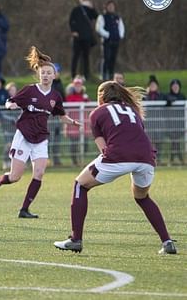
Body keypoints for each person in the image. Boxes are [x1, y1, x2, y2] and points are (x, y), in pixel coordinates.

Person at [54, 81, 177, 254]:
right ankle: (167, 242)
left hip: (119, 156)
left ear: (102, 96)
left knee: (80, 185)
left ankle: (75, 239)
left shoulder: (97, 113)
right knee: (142, 197)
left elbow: (104, 149)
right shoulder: (132, 110)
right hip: (146, 157)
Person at [0, 46, 81, 218]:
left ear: (54, 75)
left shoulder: (56, 96)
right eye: (43, 72)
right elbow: (9, 101)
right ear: (39, 74)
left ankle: (24, 210)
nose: (45, 75)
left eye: (48, 72)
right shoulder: (30, 90)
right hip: (24, 135)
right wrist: (11, 105)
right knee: (15, 177)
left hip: (41, 137)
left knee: (40, 172)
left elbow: (61, 116)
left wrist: (73, 122)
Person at [69, 0, 98, 79]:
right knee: (75, 56)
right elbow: (71, 21)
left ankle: (86, 75)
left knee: (86, 57)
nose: (85, 0)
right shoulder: (76, 9)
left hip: (87, 37)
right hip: (77, 37)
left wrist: (92, 8)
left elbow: (96, 17)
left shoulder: (90, 10)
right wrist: (73, 31)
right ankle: (73, 74)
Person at [96, 0, 125, 81]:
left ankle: (111, 76)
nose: (111, 7)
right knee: (106, 58)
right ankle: (103, 75)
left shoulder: (117, 17)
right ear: (106, 7)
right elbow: (99, 28)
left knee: (113, 59)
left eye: (112, 6)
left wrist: (120, 35)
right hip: (106, 41)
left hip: (116, 41)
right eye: (109, 6)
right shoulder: (102, 17)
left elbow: (121, 27)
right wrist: (107, 35)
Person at [65, 76, 91, 166]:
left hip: (83, 122)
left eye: (79, 85)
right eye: (76, 85)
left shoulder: (85, 96)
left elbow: (88, 106)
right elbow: (71, 104)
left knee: (85, 142)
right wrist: (83, 99)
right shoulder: (70, 96)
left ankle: (82, 159)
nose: (78, 87)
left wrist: (85, 99)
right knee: (73, 143)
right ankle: (74, 161)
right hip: (73, 122)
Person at [144, 75, 166, 164]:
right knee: (150, 141)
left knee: (159, 141)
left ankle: (159, 159)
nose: (153, 86)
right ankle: (151, 158)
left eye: (154, 85)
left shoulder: (161, 96)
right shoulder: (145, 97)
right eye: (151, 85)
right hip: (149, 122)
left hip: (159, 122)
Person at [165, 79, 185, 165]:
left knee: (175, 141)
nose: (175, 87)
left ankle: (173, 159)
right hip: (170, 124)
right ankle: (178, 158)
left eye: (177, 86)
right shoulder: (167, 96)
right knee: (175, 141)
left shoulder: (182, 96)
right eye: (174, 86)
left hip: (180, 124)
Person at [50, 63, 65, 166]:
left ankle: (56, 160)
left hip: (58, 114)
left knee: (57, 138)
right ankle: (46, 160)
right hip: (50, 116)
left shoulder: (60, 84)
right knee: (49, 138)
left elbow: (63, 98)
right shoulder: (49, 84)